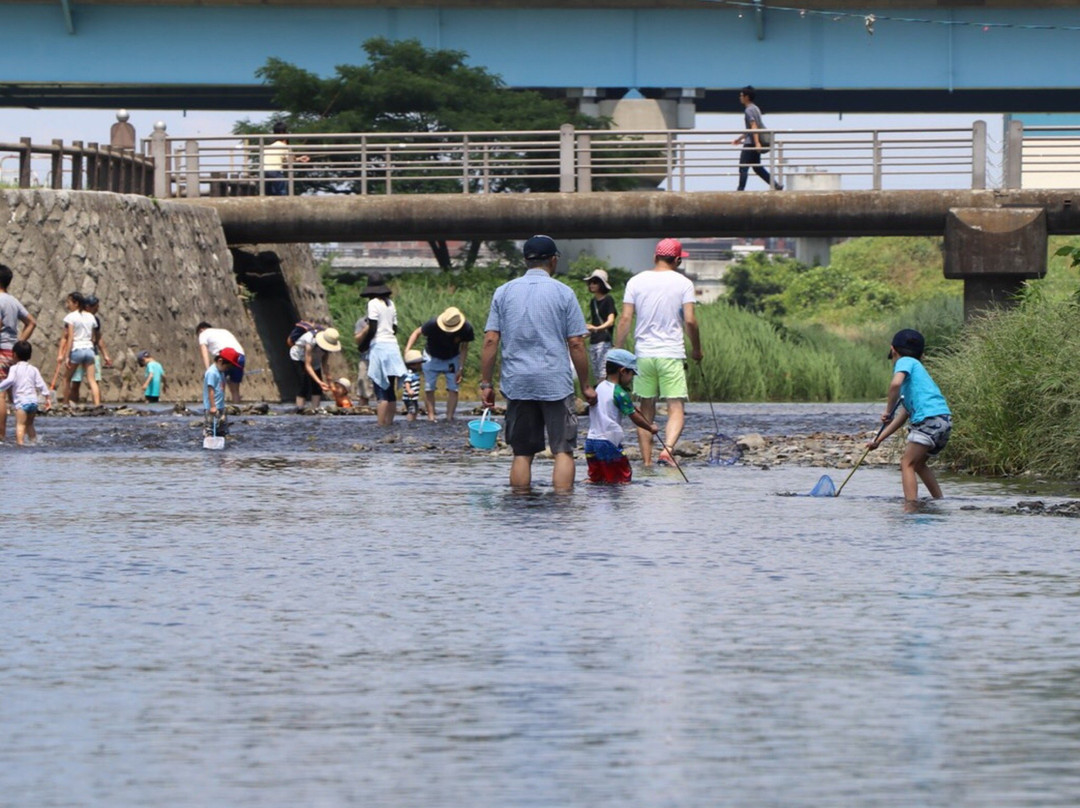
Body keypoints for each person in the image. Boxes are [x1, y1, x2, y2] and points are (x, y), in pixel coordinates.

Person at [479, 235, 597, 491]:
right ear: (553, 260)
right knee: (563, 450)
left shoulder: (504, 292)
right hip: (555, 382)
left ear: (525, 260)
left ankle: (520, 507)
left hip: (517, 382)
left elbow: (490, 340)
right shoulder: (564, 293)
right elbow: (576, 343)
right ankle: (562, 508)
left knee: (522, 453)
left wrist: (485, 383)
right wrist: (586, 385)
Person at [614, 238, 703, 468]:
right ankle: (668, 450)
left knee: (645, 410)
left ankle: (646, 463)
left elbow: (625, 319)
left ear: (655, 257)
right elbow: (691, 321)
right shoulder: (684, 283)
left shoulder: (635, 281)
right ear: (678, 260)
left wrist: (617, 350)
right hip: (671, 354)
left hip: (643, 355)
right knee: (675, 407)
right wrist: (697, 349)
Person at [867, 329, 952, 506]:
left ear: (893, 350)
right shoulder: (918, 377)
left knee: (907, 463)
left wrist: (888, 410)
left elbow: (895, 384)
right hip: (943, 421)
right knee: (919, 464)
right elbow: (903, 416)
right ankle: (940, 501)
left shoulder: (906, 361)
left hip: (928, 420)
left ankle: (911, 506)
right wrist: (878, 440)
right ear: (922, 354)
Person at [585, 349, 659, 484]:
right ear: (623, 371)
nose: (631, 379)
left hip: (591, 442)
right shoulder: (619, 392)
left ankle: (595, 504)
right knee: (622, 480)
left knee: (596, 480)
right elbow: (634, 416)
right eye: (632, 374)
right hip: (608, 443)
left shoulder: (599, 387)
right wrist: (650, 427)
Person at [403, 306, 475, 422]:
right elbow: (416, 332)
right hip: (431, 357)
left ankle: (449, 417)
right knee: (429, 388)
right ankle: (431, 417)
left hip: (452, 358)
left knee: (453, 388)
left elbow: (464, 348)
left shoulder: (466, 328)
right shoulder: (432, 324)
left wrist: (460, 368)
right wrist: (407, 350)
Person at [353, 272, 406, 427]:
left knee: (381, 391)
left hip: (379, 347)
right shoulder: (390, 303)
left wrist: (363, 345)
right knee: (390, 392)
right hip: (393, 347)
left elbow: (373, 328)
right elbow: (394, 328)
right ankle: (389, 423)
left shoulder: (372, 304)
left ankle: (380, 425)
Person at [0, 264, 37, 441]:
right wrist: (19, 343)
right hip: (11, 351)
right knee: (10, 394)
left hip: (0, 350)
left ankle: (1, 436)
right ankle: (23, 436)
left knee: (0, 394)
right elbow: (31, 322)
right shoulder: (13, 300)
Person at [0, 340, 50, 446]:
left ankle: (20, 444)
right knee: (30, 425)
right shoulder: (34, 369)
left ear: (14, 354)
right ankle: (34, 441)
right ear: (30, 355)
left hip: (22, 403)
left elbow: (10, 381)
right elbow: (41, 384)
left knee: (20, 425)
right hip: (33, 402)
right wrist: (47, 397)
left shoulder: (14, 368)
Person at [732, 86, 782, 191]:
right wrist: (740, 139)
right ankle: (776, 185)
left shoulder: (748, 110)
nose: (739, 97)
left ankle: (740, 190)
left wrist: (756, 142)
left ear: (747, 97)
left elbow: (754, 126)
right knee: (757, 167)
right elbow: (751, 128)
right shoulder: (756, 108)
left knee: (743, 167)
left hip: (751, 143)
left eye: (741, 95)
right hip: (753, 141)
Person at [59, 292, 102, 407]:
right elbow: (93, 337)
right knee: (92, 380)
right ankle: (97, 404)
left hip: (77, 349)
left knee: (66, 378)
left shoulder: (71, 317)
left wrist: (67, 356)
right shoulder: (91, 317)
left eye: (69, 302)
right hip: (89, 350)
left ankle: (65, 403)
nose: (68, 305)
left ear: (76, 303)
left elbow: (70, 338)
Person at [70, 294, 113, 404]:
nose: (97, 309)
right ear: (88, 306)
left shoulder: (95, 320)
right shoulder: (76, 317)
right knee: (76, 381)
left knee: (94, 381)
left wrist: (106, 355)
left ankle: (97, 405)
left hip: (90, 352)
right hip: (80, 350)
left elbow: (98, 338)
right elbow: (68, 336)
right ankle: (73, 404)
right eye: (95, 307)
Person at [289, 325, 342, 411]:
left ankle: (315, 409)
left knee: (317, 388)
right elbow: (308, 365)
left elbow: (324, 363)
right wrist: (320, 382)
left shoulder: (328, 344)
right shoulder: (310, 340)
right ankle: (299, 409)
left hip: (315, 361)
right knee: (304, 385)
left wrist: (329, 380)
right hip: (300, 358)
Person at [196, 322, 245, 404]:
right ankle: (237, 411)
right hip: (240, 356)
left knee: (217, 386)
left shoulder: (203, 333)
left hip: (225, 355)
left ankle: (216, 411)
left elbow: (204, 351)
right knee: (235, 389)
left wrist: (209, 370)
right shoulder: (224, 331)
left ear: (201, 330)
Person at [583, 268, 616, 384]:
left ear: (601, 284)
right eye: (590, 282)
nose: (591, 285)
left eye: (595, 282)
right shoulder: (593, 302)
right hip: (593, 342)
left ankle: (605, 398)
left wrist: (596, 328)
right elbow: (595, 323)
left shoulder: (608, 300)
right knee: (597, 374)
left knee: (603, 373)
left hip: (604, 341)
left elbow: (610, 321)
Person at [263, 121, 309, 196]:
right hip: (275, 172)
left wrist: (298, 158)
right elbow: (290, 161)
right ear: (283, 133)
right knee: (282, 193)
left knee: (268, 194)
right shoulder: (284, 146)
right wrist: (299, 159)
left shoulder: (268, 147)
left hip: (263, 172)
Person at [203, 347, 240, 438]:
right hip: (212, 409)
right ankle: (209, 446)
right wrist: (213, 406)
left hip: (221, 408)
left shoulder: (221, 373)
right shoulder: (212, 373)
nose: (227, 369)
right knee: (210, 431)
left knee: (223, 432)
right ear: (220, 361)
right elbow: (210, 390)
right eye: (227, 366)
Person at [401, 350, 423, 422]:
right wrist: (409, 390)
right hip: (409, 398)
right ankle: (410, 421)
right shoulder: (410, 373)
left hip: (413, 398)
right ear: (413, 365)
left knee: (415, 409)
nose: (421, 365)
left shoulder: (414, 373)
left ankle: (413, 420)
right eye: (419, 364)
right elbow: (407, 382)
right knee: (412, 410)